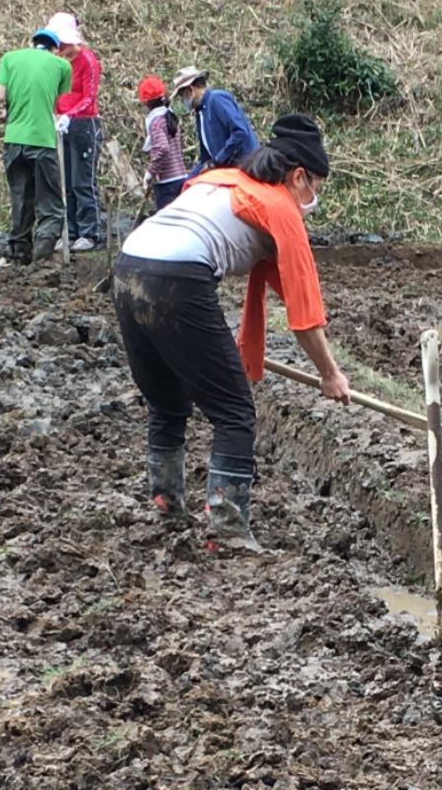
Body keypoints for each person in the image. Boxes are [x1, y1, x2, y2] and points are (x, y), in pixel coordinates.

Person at [113, 114, 351, 551]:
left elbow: (285, 288)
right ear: (299, 176)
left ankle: (166, 500)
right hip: (179, 275)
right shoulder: (280, 207)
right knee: (235, 412)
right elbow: (304, 313)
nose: (314, 197)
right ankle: (227, 529)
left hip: (129, 265)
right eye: (316, 186)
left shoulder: (220, 180)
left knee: (167, 401)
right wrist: (330, 373)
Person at [0, 27, 73, 264]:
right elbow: (52, 100)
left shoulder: (10, 59)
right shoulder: (62, 66)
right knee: (51, 203)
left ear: (31, 43)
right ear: (55, 49)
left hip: (14, 140)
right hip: (42, 140)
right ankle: (41, 258)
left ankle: (19, 253)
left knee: (21, 199)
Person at [46, 13, 104, 253]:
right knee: (66, 181)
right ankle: (69, 230)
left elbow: (89, 96)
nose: (62, 50)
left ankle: (89, 231)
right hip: (61, 123)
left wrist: (70, 114)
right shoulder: (59, 63)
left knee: (82, 180)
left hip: (84, 123)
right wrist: (54, 113)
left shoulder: (88, 61)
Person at [170, 66, 259, 178]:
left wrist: (217, 161)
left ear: (190, 90)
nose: (183, 101)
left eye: (182, 96)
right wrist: (187, 181)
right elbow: (206, 157)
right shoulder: (201, 112)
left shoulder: (216, 99)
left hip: (246, 168)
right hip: (228, 172)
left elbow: (240, 132)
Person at [136, 75, 189, 211]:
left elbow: (163, 149)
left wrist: (150, 172)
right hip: (181, 178)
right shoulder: (169, 116)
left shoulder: (156, 122)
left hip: (167, 184)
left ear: (146, 102)